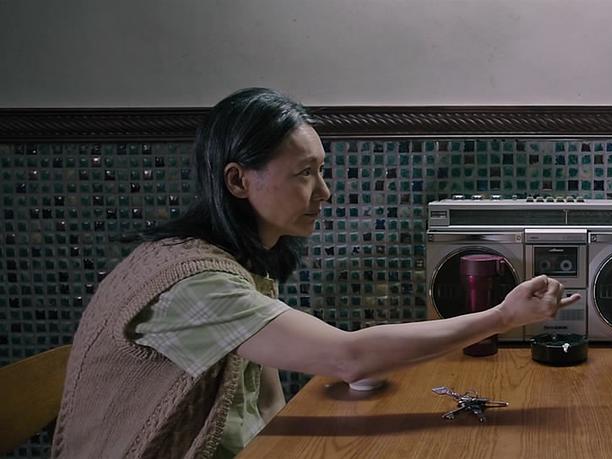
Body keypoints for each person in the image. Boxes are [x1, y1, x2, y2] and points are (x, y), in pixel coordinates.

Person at [51, 87, 581, 458]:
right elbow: (347, 357)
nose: (324, 192)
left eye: (321, 170)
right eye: (305, 173)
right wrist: (501, 316)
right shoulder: (191, 284)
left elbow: (265, 396)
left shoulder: (236, 263)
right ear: (238, 181)